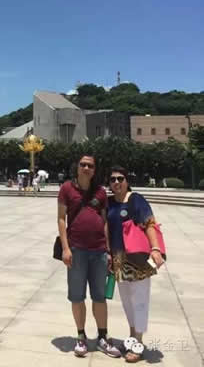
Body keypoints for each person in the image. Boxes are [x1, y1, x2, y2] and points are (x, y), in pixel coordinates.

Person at [57, 155, 121, 358]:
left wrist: (108, 250)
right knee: (77, 296)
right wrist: (66, 249)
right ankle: (81, 336)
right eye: (83, 164)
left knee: (99, 296)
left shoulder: (100, 192)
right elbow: (61, 219)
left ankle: (102, 336)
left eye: (90, 165)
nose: (86, 168)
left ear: (94, 170)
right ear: (77, 167)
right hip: (76, 250)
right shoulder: (67, 189)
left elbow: (104, 222)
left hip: (99, 251)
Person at [107, 166, 165, 363]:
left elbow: (149, 223)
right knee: (126, 301)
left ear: (127, 180)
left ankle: (138, 342)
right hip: (118, 259)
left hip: (137, 258)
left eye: (120, 178)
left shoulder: (136, 199)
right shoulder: (110, 203)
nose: (116, 182)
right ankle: (132, 336)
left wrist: (155, 248)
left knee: (139, 300)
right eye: (113, 179)